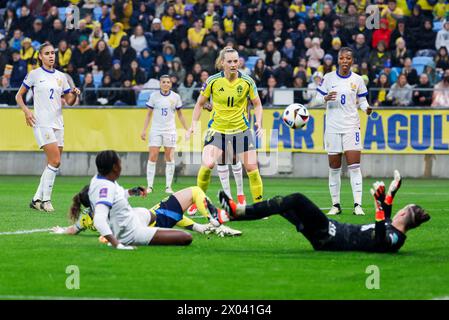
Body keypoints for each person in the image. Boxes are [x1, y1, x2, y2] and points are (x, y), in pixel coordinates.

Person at [219, 170, 431, 253]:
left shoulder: (395, 238)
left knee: (297, 199)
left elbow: (380, 241)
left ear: (403, 216)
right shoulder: (393, 228)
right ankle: (229, 215)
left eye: (400, 210)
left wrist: (377, 207)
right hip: (330, 232)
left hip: (330, 236)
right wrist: (392, 193)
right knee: (282, 205)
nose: (396, 212)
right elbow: (385, 218)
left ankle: (237, 210)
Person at [186, 47, 264, 208]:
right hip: (217, 131)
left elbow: (257, 104)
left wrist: (259, 122)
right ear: (222, 63)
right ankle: (197, 201)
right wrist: (193, 125)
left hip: (241, 130)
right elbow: (200, 104)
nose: (234, 64)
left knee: (252, 168)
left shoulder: (247, 81)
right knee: (207, 165)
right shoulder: (213, 81)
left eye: (236, 61)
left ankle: (260, 207)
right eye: (230, 61)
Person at [15, 42, 81, 212]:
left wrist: (74, 94)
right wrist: (26, 111)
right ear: (40, 56)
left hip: (58, 123)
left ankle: (36, 199)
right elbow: (19, 96)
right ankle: (46, 200)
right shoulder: (34, 74)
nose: (51, 56)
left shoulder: (61, 76)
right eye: (47, 53)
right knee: (56, 160)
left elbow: (69, 102)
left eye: (53, 53)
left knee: (53, 164)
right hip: (42, 122)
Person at [51, 182, 241, 239]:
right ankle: (214, 218)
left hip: (154, 217)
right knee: (194, 191)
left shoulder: (90, 217)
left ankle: (206, 227)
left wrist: (61, 231)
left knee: (175, 211)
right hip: (155, 221)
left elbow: (74, 229)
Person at [315, 47, 372, 216]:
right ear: (338, 60)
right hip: (332, 127)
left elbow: (362, 100)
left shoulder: (358, 79)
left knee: (354, 167)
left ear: (352, 61)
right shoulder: (328, 78)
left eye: (348, 58)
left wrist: (367, 108)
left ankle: (357, 205)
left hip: (351, 127)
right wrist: (324, 98)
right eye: (342, 58)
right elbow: (317, 99)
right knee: (334, 167)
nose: (345, 61)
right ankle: (336, 205)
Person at [141, 75, 189, 194]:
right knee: (153, 156)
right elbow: (148, 115)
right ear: (160, 84)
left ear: (171, 84)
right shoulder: (154, 96)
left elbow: (180, 115)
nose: (166, 84)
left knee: (169, 157)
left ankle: (168, 186)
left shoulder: (175, 97)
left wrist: (187, 129)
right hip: (156, 130)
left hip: (170, 130)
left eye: (168, 82)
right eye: (163, 82)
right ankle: (150, 186)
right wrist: (144, 130)